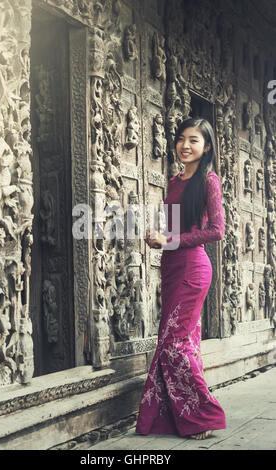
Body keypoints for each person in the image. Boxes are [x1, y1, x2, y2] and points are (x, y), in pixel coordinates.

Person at [136, 118, 226, 440]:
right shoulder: (174, 181)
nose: (185, 146)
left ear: (207, 146)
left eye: (194, 140)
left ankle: (203, 416)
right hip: (173, 269)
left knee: (174, 344)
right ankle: (173, 419)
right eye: (181, 139)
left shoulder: (209, 181)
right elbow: (174, 231)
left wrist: (170, 241)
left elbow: (216, 231)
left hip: (193, 270)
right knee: (178, 342)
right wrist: (158, 239)